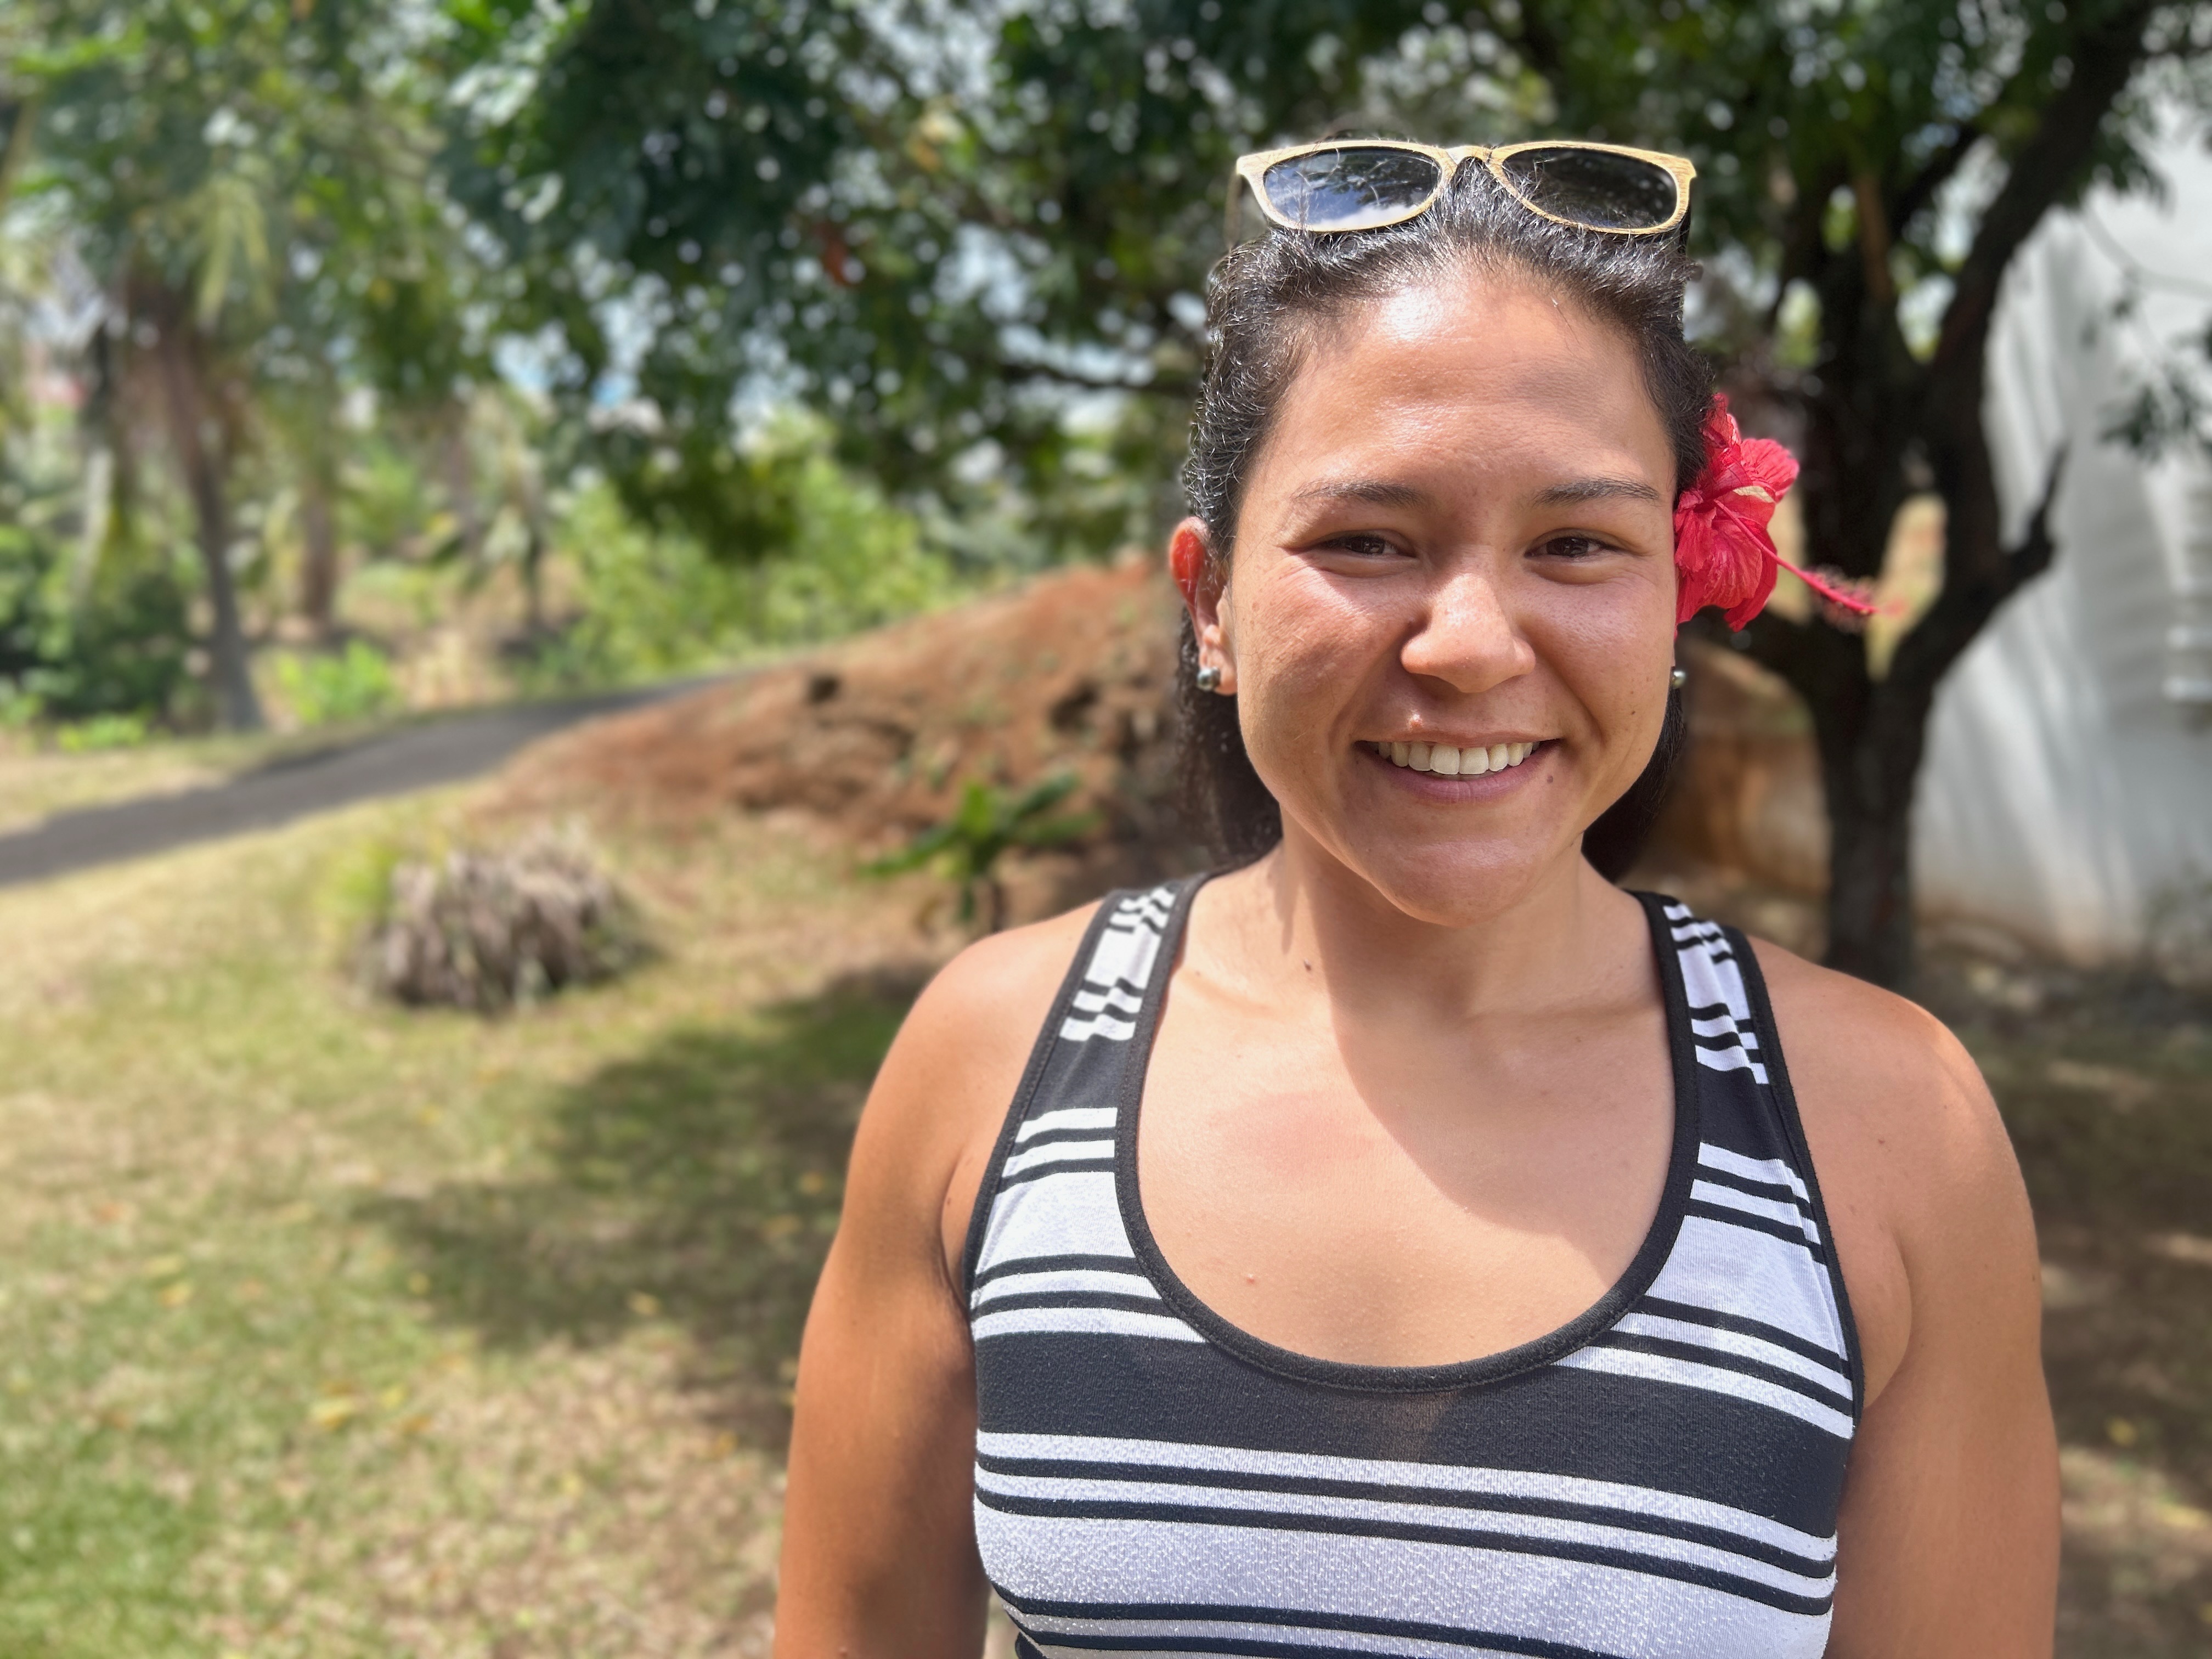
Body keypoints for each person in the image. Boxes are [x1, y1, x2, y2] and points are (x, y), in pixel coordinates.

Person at [773, 139, 2056, 1659]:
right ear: (1211, 603)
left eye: (1575, 544)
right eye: (1368, 541)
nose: (1469, 643)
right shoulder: (990, 1065)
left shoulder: (1892, 1136)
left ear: (1676, 594)